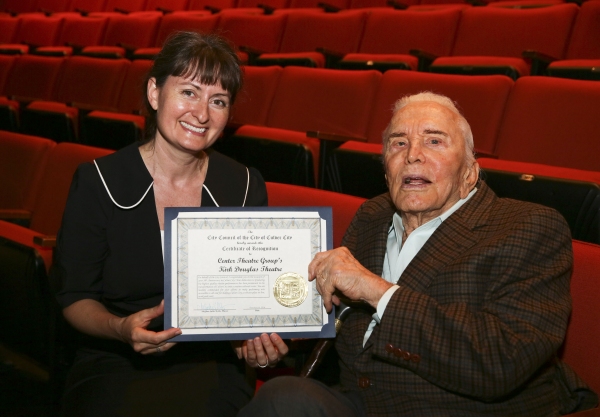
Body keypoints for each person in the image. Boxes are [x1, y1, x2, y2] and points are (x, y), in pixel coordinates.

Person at [238, 92, 598, 417]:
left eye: (434, 141)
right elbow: (337, 325)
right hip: (365, 400)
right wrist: (279, 347)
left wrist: (377, 291)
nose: (412, 155)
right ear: (385, 168)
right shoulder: (373, 216)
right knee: (282, 397)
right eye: (398, 143)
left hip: (461, 409)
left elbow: (501, 362)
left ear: (470, 172)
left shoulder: (529, 227)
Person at [51, 31, 288, 417]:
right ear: (155, 93)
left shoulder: (244, 184)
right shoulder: (99, 180)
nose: (202, 114)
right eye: (189, 92)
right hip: (114, 360)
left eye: (218, 101)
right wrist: (120, 328)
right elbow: (75, 296)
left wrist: (253, 341)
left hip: (209, 363)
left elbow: (250, 298)